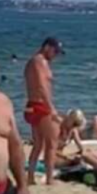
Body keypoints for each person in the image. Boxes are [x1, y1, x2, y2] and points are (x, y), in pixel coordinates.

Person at [24, 37, 64, 185]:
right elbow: (41, 86)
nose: (56, 55)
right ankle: (49, 179)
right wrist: (51, 108)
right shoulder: (39, 61)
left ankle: (30, 177)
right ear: (47, 47)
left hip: (33, 105)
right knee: (52, 143)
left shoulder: (34, 61)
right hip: (40, 106)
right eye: (55, 51)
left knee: (38, 144)